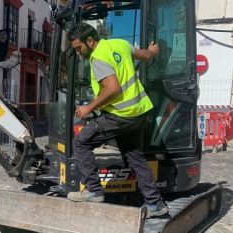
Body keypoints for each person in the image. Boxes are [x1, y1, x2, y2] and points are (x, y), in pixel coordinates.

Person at [65, 23, 168, 218]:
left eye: (79, 48)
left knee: (80, 142)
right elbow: (145, 56)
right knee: (135, 157)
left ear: (90, 41)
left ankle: (94, 190)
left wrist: (89, 107)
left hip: (120, 115)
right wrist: (153, 51)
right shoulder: (120, 44)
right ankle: (155, 204)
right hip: (139, 113)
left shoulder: (98, 58)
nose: (78, 53)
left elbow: (113, 89)